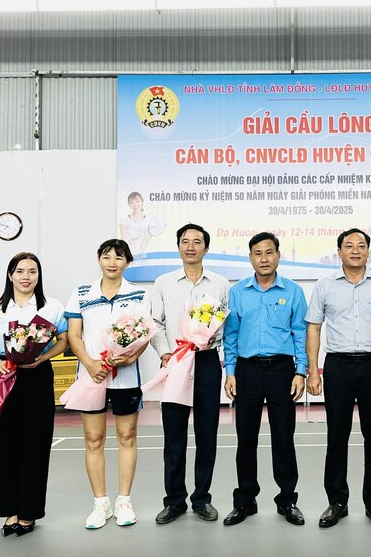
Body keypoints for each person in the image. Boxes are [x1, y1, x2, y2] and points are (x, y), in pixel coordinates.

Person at [306, 228, 371, 530]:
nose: (355, 250)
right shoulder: (324, 286)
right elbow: (314, 328)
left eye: (361, 246)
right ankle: (337, 502)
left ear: (368, 252)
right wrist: (313, 370)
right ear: (340, 252)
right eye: (349, 246)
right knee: (337, 436)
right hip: (338, 366)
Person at [0, 252, 68, 537]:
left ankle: (28, 512)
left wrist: (42, 358)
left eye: (32, 271)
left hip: (38, 376)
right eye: (20, 271)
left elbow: (63, 341)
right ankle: (9, 511)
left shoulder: (52, 307)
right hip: (5, 377)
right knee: (3, 444)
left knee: (36, 443)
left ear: (38, 276)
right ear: (10, 275)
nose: (26, 277)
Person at [222, 232, 307, 527]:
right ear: (250, 258)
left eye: (269, 252)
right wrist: (230, 372)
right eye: (257, 253)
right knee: (246, 438)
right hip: (247, 370)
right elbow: (231, 335)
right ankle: (245, 500)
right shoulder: (238, 292)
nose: (264, 259)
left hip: (282, 370)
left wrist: (301, 371)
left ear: (278, 256)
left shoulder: (293, 291)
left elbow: (300, 333)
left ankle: (287, 500)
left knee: (283, 437)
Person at [66, 239, 151, 529]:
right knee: (93, 439)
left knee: (127, 437)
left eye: (119, 257)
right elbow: (74, 335)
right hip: (92, 376)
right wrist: (90, 364)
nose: (112, 262)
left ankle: (124, 501)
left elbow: (144, 333)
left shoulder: (139, 294)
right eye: (106, 256)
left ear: (127, 262)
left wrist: (131, 356)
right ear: (98, 259)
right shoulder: (81, 293)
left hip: (126, 378)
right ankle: (100, 503)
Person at [151, 224, 230, 524]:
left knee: (207, 434)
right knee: (174, 435)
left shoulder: (220, 283)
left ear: (206, 248)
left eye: (197, 242)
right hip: (176, 361)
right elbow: (155, 323)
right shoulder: (163, 282)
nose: (191, 246)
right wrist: (164, 353)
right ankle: (174, 501)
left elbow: (226, 323)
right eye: (185, 241)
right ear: (178, 247)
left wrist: (211, 339)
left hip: (207, 361)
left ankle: (201, 499)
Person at [119, 192, 151, 257]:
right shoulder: (124, 219)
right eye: (132, 202)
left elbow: (145, 241)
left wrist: (139, 255)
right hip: (127, 255)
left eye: (137, 201)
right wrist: (129, 255)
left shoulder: (148, 221)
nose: (135, 205)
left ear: (142, 202)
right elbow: (124, 240)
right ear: (129, 204)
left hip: (141, 256)